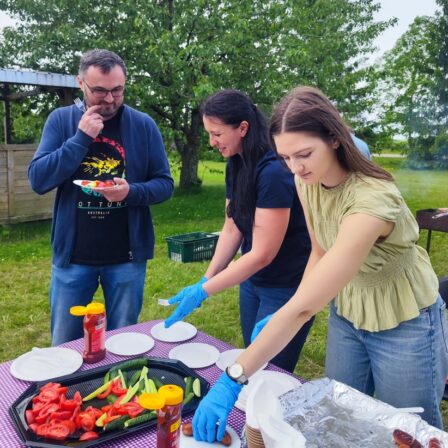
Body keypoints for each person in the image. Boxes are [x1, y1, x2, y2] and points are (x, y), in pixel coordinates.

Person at [191, 86, 448, 443]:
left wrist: (233, 378)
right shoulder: (304, 181)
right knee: (338, 416)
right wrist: (295, 302)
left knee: (407, 430)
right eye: (285, 157)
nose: (295, 167)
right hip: (349, 310)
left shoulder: (371, 201)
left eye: (304, 154)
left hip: (403, 317)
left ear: (334, 139)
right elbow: (319, 251)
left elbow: (304, 308)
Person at [28, 49, 174, 345]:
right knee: (65, 345)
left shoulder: (143, 125)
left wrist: (131, 192)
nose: (109, 99)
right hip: (73, 258)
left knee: (123, 343)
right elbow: (39, 180)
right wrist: (81, 138)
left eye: (117, 90)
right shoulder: (61, 121)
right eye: (99, 91)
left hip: (126, 258)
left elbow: (164, 184)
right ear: (80, 83)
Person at [164, 89, 313, 373]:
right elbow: (232, 228)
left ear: (243, 128)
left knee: (271, 372)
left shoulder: (274, 172)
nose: (212, 142)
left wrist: (204, 291)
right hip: (252, 280)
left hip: (285, 286)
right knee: (252, 361)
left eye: (217, 134)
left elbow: (263, 254)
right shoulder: (236, 163)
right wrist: (206, 277)